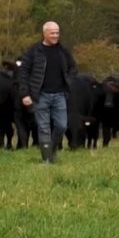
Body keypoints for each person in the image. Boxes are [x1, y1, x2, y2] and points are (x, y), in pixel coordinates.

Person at [18, 21, 77, 163]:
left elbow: (73, 68)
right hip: (40, 95)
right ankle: (47, 160)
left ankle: (51, 151)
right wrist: (25, 94)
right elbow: (23, 72)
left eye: (57, 33)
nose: (56, 35)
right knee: (43, 127)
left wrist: (68, 82)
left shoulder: (63, 51)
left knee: (62, 126)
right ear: (45, 33)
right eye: (52, 33)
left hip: (60, 95)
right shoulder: (34, 51)